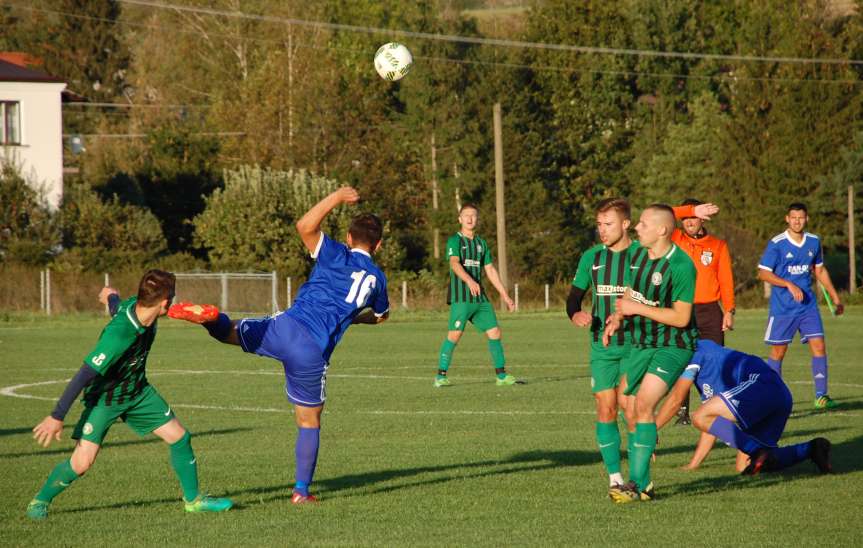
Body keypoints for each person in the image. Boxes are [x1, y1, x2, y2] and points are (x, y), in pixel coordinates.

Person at [168, 187, 390, 504]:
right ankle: (301, 491)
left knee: (228, 331)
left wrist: (336, 197)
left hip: (285, 327)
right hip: (312, 351)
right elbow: (382, 316)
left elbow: (304, 226)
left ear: (349, 238)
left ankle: (209, 318)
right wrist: (353, 318)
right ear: (379, 245)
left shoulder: (335, 253)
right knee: (309, 420)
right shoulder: (377, 279)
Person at [26, 270, 232, 520]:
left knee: (180, 437)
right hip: (105, 398)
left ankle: (193, 501)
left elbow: (116, 306)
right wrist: (56, 416)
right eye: (173, 297)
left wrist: (110, 295)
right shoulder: (119, 334)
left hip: (137, 391)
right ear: (165, 302)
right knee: (82, 463)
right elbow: (84, 374)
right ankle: (40, 501)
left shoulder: (138, 308)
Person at [603, 204, 698, 503]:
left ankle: (633, 484)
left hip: (673, 346)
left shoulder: (681, 266)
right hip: (643, 343)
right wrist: (617, 318)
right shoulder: (640, 256)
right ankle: (644, 486)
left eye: (643, 224)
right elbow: (631, 293)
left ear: (662, 230)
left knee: (643, 405)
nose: (637, 228)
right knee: (628, 405)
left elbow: (682, 318)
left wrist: (636, 309)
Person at [655, 339, 832, 475]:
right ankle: (811, 449)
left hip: (762, 385)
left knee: (699, 416)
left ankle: (757, 450)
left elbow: (676, 399)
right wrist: (694, 464)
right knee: (744, 467)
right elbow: (713, 425)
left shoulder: (694, 353)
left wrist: (650, 431)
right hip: (780, 395)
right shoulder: (704, 364)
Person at [567, 198, 640, 494]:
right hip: (601, 346)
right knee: (605, 407)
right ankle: (615, 477)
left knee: (630, 406)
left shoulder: (642, 256)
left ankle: (639, 473)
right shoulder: (592, 258)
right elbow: (573, 296)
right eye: (599, 225)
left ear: (626, 224)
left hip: (636, 344)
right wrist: (576, 313)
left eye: (608, 224)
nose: (602, 230)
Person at [757, 202, 844, 409]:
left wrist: (835, 297)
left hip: (808, 307)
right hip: (783, 309)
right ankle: (773, 398)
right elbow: (763, 273)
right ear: (787, 219)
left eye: (801, 217)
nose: (797, 221)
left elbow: (820, 271)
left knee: (819, 346)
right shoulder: (777, 243)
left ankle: (821, 396)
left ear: (807, 219)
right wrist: (787, 283)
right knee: (778, 353)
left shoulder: (814, 241)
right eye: (793, 217)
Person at [434, 203, 518, 387]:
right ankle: (440, 376)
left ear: (477, 219)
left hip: (479, 299)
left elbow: (490, 269)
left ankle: (501, 376)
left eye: (473, 215)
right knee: (455, 334)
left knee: (495, 331)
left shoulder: (481, 243)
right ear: (460, 219)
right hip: (462, 297)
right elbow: (454, 264)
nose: (470, 218)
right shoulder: (454, 241)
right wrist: (469, 280)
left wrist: (505, 295)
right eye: (466, 215)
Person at [670, 199, 736, 426]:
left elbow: (726, 280)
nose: (689, 221)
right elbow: (661, 215)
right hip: (681, 308)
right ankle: (682, 410)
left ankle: (714, 408)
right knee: (682, 360)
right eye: (686, 217)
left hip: (710, 311)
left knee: (714, 362)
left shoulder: (718, 245)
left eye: (694, 217)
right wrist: (689, 209)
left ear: (703, 219)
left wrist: (729, 309)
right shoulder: (674, 239)